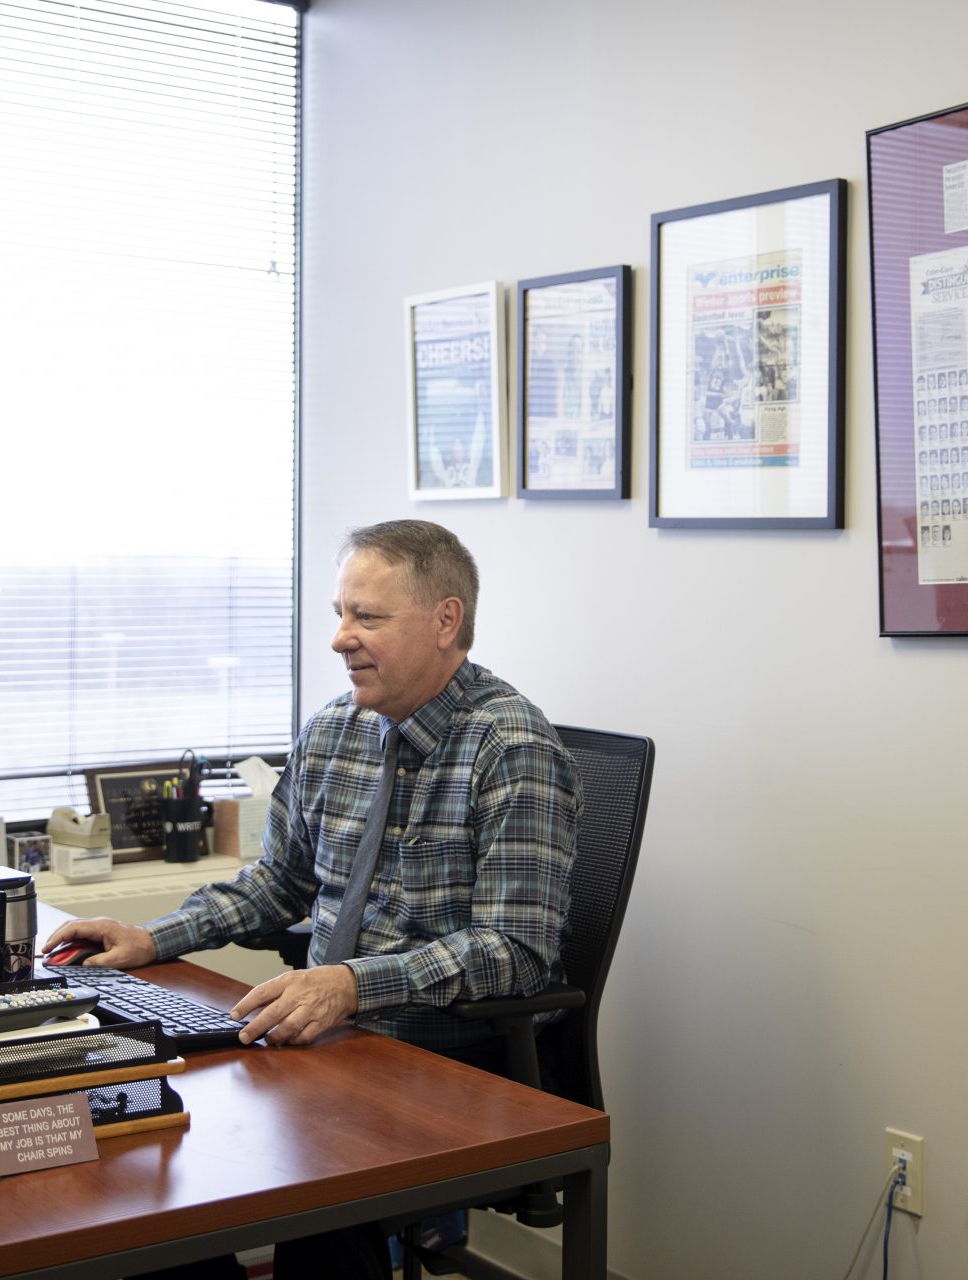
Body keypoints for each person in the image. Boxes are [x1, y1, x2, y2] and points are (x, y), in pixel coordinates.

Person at [46, 519, 580, 1280]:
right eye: (339, 613)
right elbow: (278, 883)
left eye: (367, 617)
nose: (339, 638)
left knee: (279, 1184)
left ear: (445, 621)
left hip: (441, 1053)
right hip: (327, 1036)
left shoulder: (510, 749)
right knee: (138, 1164)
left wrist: (354, 984)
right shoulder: (336, 731)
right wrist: (153, 938)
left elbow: (515, 951)